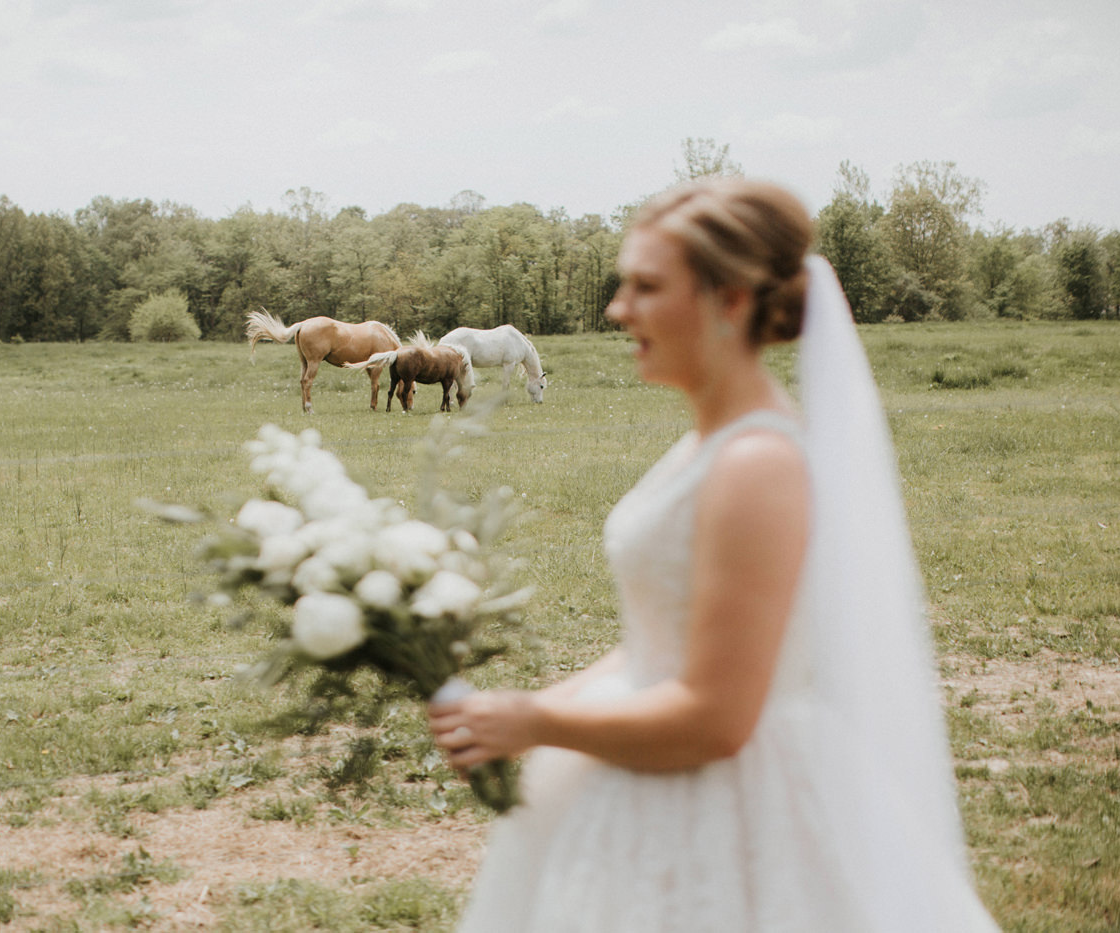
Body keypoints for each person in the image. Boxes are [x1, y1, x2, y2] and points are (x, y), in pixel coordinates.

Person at [429, 177, 1001, 932]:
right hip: (649, 782)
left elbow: (718, 718)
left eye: (646, 285)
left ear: (729, 299)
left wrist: (536, 722)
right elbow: (661, 641)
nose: (618, 308)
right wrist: (523, 707)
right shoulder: (711, 443)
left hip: (730, 808)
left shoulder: (756, 465)